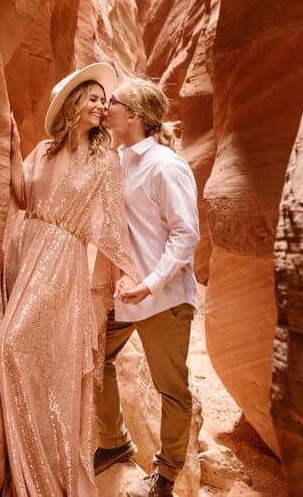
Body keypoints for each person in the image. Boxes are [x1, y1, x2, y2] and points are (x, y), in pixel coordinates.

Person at [0, 63, 142, 497]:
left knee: (15, 347)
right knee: (27, 354)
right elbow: (22, 198)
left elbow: (114, 226)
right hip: (27, 252)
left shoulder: (103, 160)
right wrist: (12, 149)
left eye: (104, 99)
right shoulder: (41, 151)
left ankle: (50, 472)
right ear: (74, 104)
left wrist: (126, 276)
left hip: (63, 263)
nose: (102, 106)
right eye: (94, 98)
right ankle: (25, 459)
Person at [94, 78, 201, 497]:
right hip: (124, 294)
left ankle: (166, 476)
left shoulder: (165, 165)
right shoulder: (117, 159)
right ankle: (114, 442)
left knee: (171, 389)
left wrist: (151, 284)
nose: (106, 107)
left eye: (113, 102)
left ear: (134, 115)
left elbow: (185, 235)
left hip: (164, 299)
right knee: (93, 360)